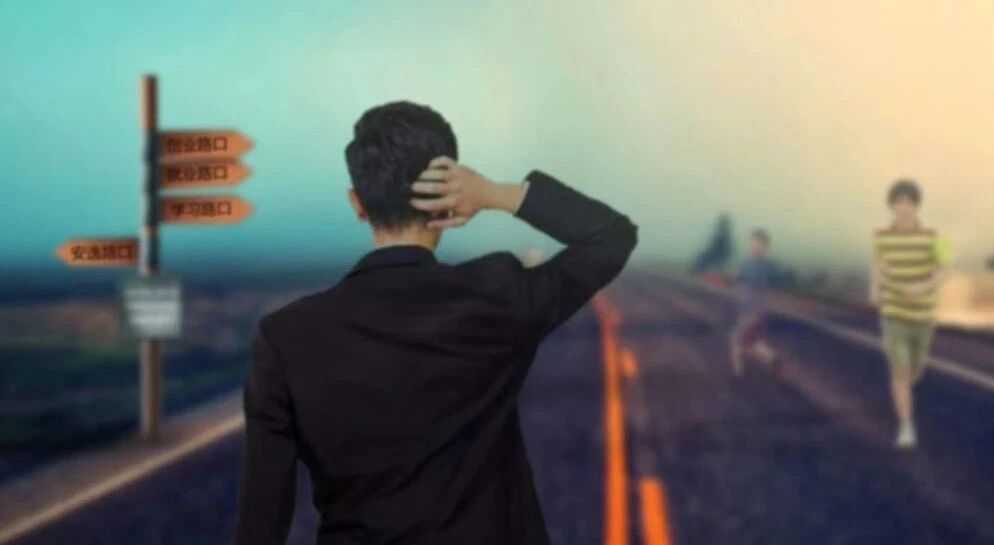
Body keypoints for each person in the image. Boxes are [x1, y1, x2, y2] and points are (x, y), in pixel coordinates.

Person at [233, 101, 637, 544]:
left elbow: (261, 524)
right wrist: (496, 194)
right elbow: (611, 236)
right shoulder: (496, 295)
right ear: (446, 198)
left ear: (358, 204)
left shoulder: (286, 337)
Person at [869, 179, 949, 450]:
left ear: (916, 206)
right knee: (901, 368)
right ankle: (906, 425)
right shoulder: (881, 237)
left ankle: (900, 389)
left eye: (908, 203)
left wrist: (923, 287)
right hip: (893, 312)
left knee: (915, 370)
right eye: (898, 203)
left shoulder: (933, 236)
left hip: (923, 315)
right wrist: (874, 289)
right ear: (891, 206)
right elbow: (878, 265)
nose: (902, 208)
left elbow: (944, 270)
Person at [729, 228, 782, 376]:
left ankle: (738, 374)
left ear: (765, 247)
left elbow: (757, 286)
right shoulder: (747, 263)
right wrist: (735, 277)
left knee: (736, 340)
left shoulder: (763, 265)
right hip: (746, 309)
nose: (753, 246)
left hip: (754, 310)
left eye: (758, 244)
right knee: (750, 343)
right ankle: (773, 358)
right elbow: (738, 280)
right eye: (751, 243)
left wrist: (740, 276)